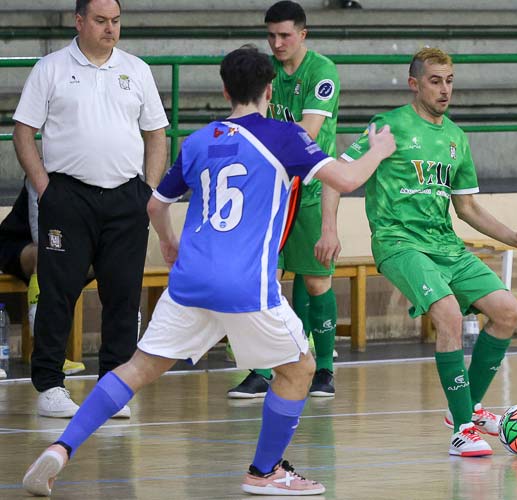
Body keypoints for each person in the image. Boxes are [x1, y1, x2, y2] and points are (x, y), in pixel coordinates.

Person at [21, 45, 396, 497]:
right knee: (299, 369)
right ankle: (264, 472)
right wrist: (378, 150)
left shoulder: (199, 141)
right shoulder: (285, 136)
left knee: (136, 369)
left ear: (224, 90)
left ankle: (62, 449)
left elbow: (156, 204)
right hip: (246, 286)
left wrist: (168, 240)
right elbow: (349, 179)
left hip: (190, 283)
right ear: (269, 88)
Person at [340, 47, 517, 457]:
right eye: (435, 81)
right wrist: (330, 228)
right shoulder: (388, 126)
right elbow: (337, 174)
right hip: (400, 242)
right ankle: (463, 430)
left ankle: (464, 408)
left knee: (508, 312)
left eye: (449, 81)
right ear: (414, 83)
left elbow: (466, 207)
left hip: (445, 244)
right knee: (449, 314)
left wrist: (514, 237)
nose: (444, 89)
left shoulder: (455, 136)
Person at [12, 0, 168, 418]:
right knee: (58, 291)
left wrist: (148, 191)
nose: (110, 29)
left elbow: (156, 135)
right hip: (68, 197)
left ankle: (113, 386)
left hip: (125, 199)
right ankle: (49, 384)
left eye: (116, 21)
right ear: (79, 21)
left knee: (122, 293)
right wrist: (46, 190)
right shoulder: (51, 68)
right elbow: (23, 132)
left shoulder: (137, 70)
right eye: (100, 21)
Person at [228, 0, 343, 399]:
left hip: (309, 188)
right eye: (271, 35)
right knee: (265, 278)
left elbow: (307, 133)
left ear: (303, 34)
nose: (277, 43)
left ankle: (325, 368)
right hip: (270, 190)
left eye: (285, 35)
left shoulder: (322, 72)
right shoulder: (264, 72)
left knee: (315, 279)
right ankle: (262, 369)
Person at [0, 187, 86, 376]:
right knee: (47, 254)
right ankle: (47, 351)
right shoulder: (37, 174)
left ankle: (124, 357)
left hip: (68, 247)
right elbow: (41, 233)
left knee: (107, 257)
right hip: (16, 246)